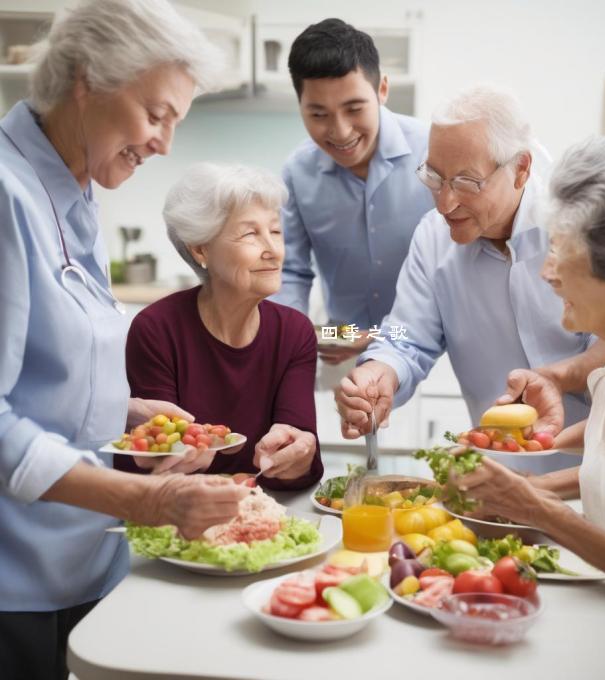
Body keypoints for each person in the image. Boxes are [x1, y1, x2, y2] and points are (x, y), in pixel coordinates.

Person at [0, 3, 252, 679]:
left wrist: (126, 414)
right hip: (18, 588)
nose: (166, 142)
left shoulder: (74, 187)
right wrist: (149, 500)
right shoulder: (5, 195)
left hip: (88, 564)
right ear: (87, 78)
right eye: (157, 113)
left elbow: (44, 373)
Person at [447, 135, 605, 671]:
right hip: (601, 633)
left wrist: (536, 509)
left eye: (563, 253)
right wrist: (522, 491)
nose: (547, 273)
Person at [336, 86, 605, 473]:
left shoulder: (578, 230)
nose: (445, 203)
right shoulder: (433, 237)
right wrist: (378, 370)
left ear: (520, 169)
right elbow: (406, 335)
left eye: (467, 183)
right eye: (434, 177)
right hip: (497, 483)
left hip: (596, 479)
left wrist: (557, 378)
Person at [119, 163, 324, 489]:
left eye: (275, 231)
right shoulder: (157, 329)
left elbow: (299, 466)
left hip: (261, 516)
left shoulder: (294, 332)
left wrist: (297, 455)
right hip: (171, 519)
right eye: (250, 234)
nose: (272, 251)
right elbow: (154, 462)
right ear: (200, 249)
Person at [270, 18, 433, 370]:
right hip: (343, 347)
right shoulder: (298, 172)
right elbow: (291, 273)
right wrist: (300, 338)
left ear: (383, 90)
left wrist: (379, 337)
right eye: (318, 114)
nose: (340, 131)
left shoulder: (433, 154)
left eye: (354, 109)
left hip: (431, 346)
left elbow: (454, 278)